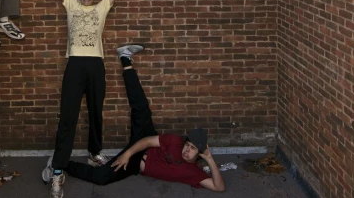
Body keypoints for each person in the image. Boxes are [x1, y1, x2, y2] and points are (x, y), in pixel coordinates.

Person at [42, 45, 225, 196]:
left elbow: (219, 187)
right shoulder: (177, 142)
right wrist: (127, 154)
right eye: (188, 145)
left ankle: (60, 163)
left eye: (192, 149)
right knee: (142, 108)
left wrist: (209, 159)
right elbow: (146, 141)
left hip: (137, 164)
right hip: (143, 141)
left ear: (199, 154)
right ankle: (125, 59)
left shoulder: (194, 173)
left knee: (101, 178)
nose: (187, 150)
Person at [42, 0, 133, 198]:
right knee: (68, 117)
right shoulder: (71, 5)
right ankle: (58, 170)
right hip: (75, 64)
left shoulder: (101, 8)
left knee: (96, 111)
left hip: (95, 64)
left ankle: (94, 154)